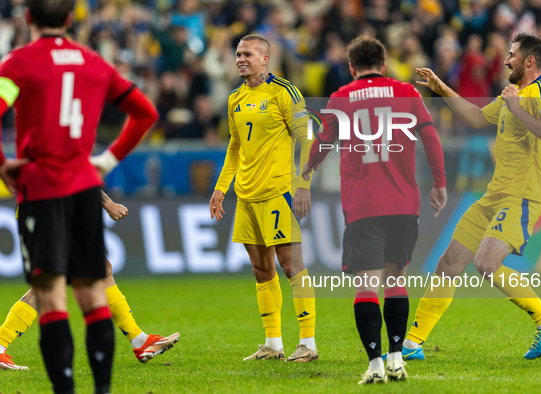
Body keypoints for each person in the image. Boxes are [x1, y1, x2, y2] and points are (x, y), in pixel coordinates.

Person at [0, 0, 159, 392]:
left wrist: (4, 164)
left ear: (29, 17)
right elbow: (145, 113)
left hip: (39, 189)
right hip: (84, 189)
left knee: (51, 295)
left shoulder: (17, 63)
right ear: (71, 19)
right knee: (93, 294)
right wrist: (106, 160)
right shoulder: (94, 63)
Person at [401, 33, 541, 361]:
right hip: (492, 196)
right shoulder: (512, 94)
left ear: (529, 61)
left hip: (521, 197)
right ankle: (412, 343)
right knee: (447, 264)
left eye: (512, 55)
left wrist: (517, 108)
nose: (506, 60)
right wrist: (442, 89)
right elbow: (477, 117)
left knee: (486, 263)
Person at [302, 36, 447, 384]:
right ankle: (397, 358)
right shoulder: (408, 93)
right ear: (383, 65)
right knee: (397, 278)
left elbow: (322, 141)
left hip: (363, 205)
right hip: (403, 203)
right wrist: (439, 183)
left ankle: (376, 366)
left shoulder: (341, 97)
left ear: (352, 68)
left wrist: (309, 167)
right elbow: (430, 137)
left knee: (367, 285)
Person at [209, 34, 318, 362]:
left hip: (277, 193)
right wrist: (221, 187)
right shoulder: (235, 99)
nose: (241, 58)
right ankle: (273, 343)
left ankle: (308, 343)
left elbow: (307, 138)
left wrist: (304, 184)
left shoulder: (285, 92)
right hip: (246, 196)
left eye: (248, 54)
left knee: (291, 266)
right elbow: (234, 145)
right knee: (261, 270)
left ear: (266, 58)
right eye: (238, 53)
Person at [0, 191, 180, 371]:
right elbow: (74, 170)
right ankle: (140, 342)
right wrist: (109, 204)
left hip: (40, 208)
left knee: (97, 271)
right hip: (51, 209)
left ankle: (139, 340)